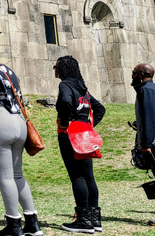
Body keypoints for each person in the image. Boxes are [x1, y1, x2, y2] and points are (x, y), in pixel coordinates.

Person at [0, 40, 42, 236]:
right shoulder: (9, 71)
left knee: (5, 177)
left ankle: (14, 224)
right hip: (19, 122)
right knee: (17, 175)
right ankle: (32, 223)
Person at [55, 55, 105, 233]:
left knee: (77, 176)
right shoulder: (83, 88)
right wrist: (87, 125)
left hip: (70, 135)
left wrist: (67, 122)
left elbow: (66, 102)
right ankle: (94, 221)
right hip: (85, 135)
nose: (55, 69)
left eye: (56, 66)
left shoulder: (65, 85)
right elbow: (100, 109)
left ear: (63, 69)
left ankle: (83, 222)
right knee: (89, 177)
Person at [131, 63, 155, 226]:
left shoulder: (145, 90)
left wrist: (145, 143)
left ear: (141, 74)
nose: (132, 76)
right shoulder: (151, 89)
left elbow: (148, 117)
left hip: (152, 143)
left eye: (134, 73)